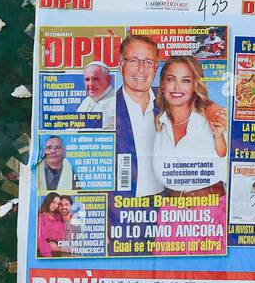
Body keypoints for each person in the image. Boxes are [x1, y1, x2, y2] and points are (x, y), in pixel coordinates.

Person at [151, 55, 228, 194]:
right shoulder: (159, 122)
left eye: (185, 80)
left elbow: (229, 171)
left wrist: (211, 108)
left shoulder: (214, 121)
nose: (177, 87)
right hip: (170, 209)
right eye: (170, 79)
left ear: (195, 85)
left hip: (210, 207)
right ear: (162, 85)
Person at [116, 35, 164, 197]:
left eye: (148, 62)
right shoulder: (107, 109)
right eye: (134, 61)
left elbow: (200, 102)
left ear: (156, 68)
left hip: (165, 208)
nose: (141, 69)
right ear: (121, 64)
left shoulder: (170, 100)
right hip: (121, 209)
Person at [75, 60, 115, 128]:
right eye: (87, 79)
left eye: (95, 79)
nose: (90, 84)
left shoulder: (116, 102)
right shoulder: (87, 101)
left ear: (108, 79)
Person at [36, 192, 70, 257]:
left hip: (60, 250)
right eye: (53, 202)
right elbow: (41, 239)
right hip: (46, 252)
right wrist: (48, 256)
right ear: (48, 201)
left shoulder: (59, 217)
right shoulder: (41, 217)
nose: (55, 205)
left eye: (57, 204)